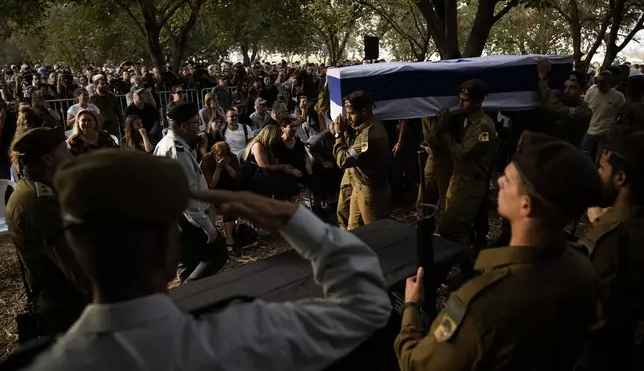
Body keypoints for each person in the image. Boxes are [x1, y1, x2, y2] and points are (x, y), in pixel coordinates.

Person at [26, 149, 392, 371]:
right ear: (171, 244)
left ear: (75, 247)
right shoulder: (246, 336)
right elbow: (369, 307)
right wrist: (293, 219)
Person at [395, 131, 604, 370]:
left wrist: (411, 308)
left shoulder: (483, 305)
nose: (500, 182)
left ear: (526, 205)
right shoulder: (582, 267)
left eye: (508, 178)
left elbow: (417, 365)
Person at [6, 127, 90, 336]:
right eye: (64, 150)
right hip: (66, 312)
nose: (70, 155)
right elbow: (76, 267)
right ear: (48, 159)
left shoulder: (40, 191)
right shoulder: (37, 204)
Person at [573, 125, 644, 370]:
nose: (597, 173)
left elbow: (589, 318)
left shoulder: (610, 242)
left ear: (621, 178)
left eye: (602, 168)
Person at [154, 102, 228, 283]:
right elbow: (188, 196)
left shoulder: (171, 143)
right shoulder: (175, 150)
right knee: (217, 253)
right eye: (196, 123)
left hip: (178, 216)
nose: (200, 127)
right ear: (183, 126)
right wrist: (208, 228)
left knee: (189, 260)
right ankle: (190, 289)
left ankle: (190, 299)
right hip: (186, 218)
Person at [435, 79, 497, 247]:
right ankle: (466, 261)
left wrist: (443, 131)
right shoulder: (466, 119)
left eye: (465, 100)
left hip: (471, 185)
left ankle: (464, 261)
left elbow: (463, 153)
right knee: (460, 226)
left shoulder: (482, 127)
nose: (460, 103)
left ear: (479, 101)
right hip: (459, 180)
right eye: (459, 99)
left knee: (450, 227)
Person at [333, 91, 391, 230]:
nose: (348, 117)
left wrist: (338, 134)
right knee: (354, 229)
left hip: (371, 192)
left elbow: (343, 160)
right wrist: (346, 131)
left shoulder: (369, 136)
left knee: (376, 232)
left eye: (351, 113)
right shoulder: (366, 127)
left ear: (363, 111)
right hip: (360, 186)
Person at [537, 58, 591, 147]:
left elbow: (554, 107)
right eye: (565, 87)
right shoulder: (563, 101)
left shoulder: (584, 112)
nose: (567, 91)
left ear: (583, 89)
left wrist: (542, 77)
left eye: (573, 88)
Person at [201, 141, 243, 256]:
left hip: (231, 189)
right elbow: (212, 184)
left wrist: (227, 165)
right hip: (215, 191)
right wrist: (218, 168)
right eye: (220, 156)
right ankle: (229, 240)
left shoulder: (231, 157)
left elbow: (237, 177)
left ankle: (233, 232)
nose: (223, 158)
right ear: (215, 155)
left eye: (225, 156)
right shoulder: (207, 160)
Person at [582, 70, 625, 161]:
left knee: (600, 160)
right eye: (598, 81)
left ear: (609, 82)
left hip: (605, 135)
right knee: (585, 158)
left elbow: (620, 114)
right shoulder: (590, 94)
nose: (600, 84)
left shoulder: (618, 96)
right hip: (590, 132)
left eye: (603, 81)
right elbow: (584, 111)